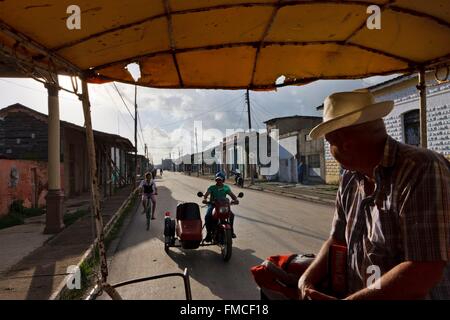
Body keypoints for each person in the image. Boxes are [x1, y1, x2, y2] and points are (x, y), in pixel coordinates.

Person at [298, 91, 450, 300]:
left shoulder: (420, 169)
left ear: (344, 143)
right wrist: (307, 279)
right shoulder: (351, 179)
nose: (331, 149)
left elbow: (425, 268)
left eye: (329, 142)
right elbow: (337, 238)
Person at [202, 172, 239, 242]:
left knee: (231, 215)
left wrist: (236, 200)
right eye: (217, 180)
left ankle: (231, 231)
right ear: (215, 180)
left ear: (223, 180)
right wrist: (204, 199)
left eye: (220, 180)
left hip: (223, 206)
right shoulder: (212, 188)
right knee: (207, 216)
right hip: (213, 205)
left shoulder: (226, 188)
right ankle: (208, 234)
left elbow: (232, 195)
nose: (218, 181)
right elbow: (206, 195)